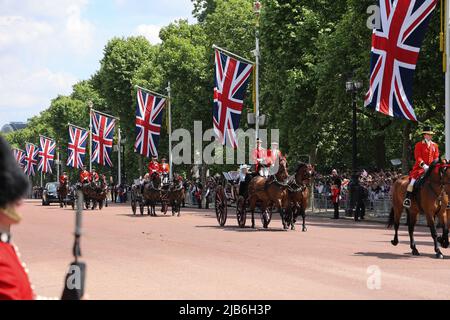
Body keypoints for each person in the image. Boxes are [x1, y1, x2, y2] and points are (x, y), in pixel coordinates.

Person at [403, 126, 440, 209]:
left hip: (432, 168)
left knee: (441, 180)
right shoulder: (419, 145)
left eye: (431, 135)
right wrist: (424, 165)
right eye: (429, 134)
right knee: (413, 181)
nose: (431, 136)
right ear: (425, 135)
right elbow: (418, 157)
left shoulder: (435, 145)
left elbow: (437, 157)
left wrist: (435, 165)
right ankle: (407, 198)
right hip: (420, 168)